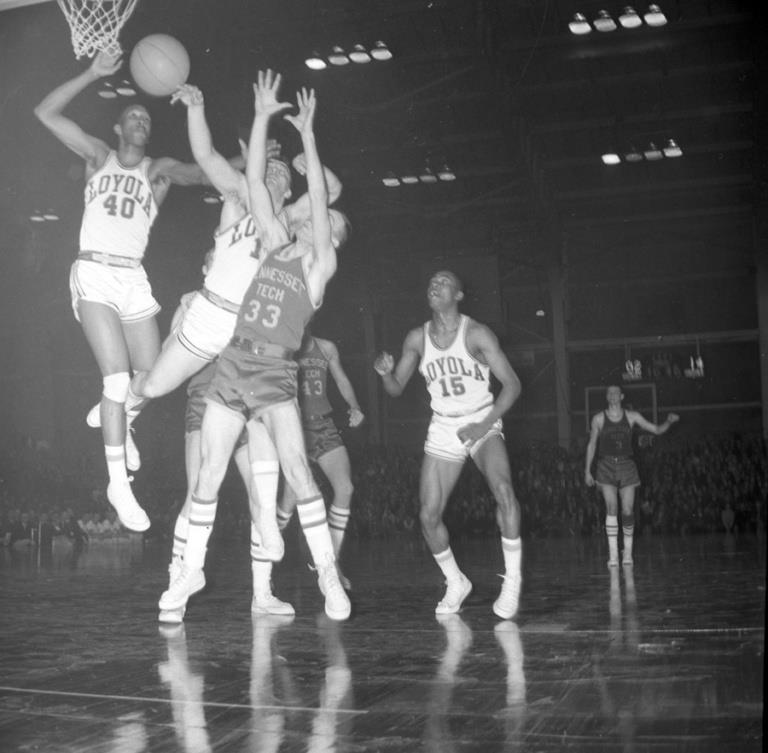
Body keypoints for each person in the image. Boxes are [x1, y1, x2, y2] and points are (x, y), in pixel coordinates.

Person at [159, 70, 351, 621]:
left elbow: (318, 196)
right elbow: (258, 192)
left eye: (329, 222)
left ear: (331, 236)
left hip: (273, 375)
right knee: (210, 476)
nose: (322, 220)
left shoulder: (320, 267)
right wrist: (264, 114)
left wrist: (310, 138)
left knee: (297, 470)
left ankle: (329, 581)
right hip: (234, 362)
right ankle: (188, 572)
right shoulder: (272, 241)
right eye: (322, 219)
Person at [84, 85, 340, 476]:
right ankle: (129, 405)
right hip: (210, 315)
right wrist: (196, 110)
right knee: (153, 385)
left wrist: (309, 159)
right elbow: (205, 156)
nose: (272, 174)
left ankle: (267, 527)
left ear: (287, 191)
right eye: (268, 168)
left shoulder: (288, 221)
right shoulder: (238, 195)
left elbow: (332, 191)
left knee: (261, 435)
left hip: (250, 332)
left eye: (281, 173)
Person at [33, 52, 235, 533]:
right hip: (95, 272)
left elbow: (205, 171)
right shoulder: (98, 156)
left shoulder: (157, 170)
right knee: (117, 380)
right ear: (121, 128)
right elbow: (45, 114)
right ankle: (117, 483)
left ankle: (120, 415)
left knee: (151, 376)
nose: (142, 120)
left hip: (133, 277)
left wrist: (252, 158)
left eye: (146, 117)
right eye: (134, 116)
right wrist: (92, 74)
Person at [374, 271, 524, 619]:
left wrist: (484, 425)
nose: (434, 285)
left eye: (442, 282)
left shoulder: (476, 333)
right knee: (427, 515)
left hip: (481, 418)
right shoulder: (417, 338)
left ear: (458, 294)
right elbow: (396, 388)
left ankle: (513, 580)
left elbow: (512, 385)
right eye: (430, 282)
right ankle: (456, 581)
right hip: (443, 424)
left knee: (503, 490)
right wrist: (385, 373)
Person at [159, 251, 294, 625]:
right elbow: (169, 358)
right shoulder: (191, 304)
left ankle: (263, 593)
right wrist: (188, 317)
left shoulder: (254, 303)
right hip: (206, 401)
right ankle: (179, 584)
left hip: (246, 402)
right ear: (205, 270)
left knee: (261, 495)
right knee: (198, 491)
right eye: (215, 263)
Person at [278, 332, 364, 589]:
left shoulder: (326, 347)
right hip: (294, 427)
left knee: (345, 488)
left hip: (323, 426)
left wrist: (355, 406)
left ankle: (331, 564)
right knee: (288, 503)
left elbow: (341, 379)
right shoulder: (283, 344)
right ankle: (264, 566)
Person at [584, 385, 680, 566]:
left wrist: (668, 421)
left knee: (627, 511)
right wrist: (587, 470)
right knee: (611, 508)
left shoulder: (632, 416)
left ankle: (627, 552)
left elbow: (657, 430)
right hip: (605, 465)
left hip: (627, 465)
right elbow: (592, 444)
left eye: (615, 393)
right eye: (609, 393)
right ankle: (613, 555)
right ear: (606, 397)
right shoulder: (598, 418)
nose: (612, 395)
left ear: (621, 396)